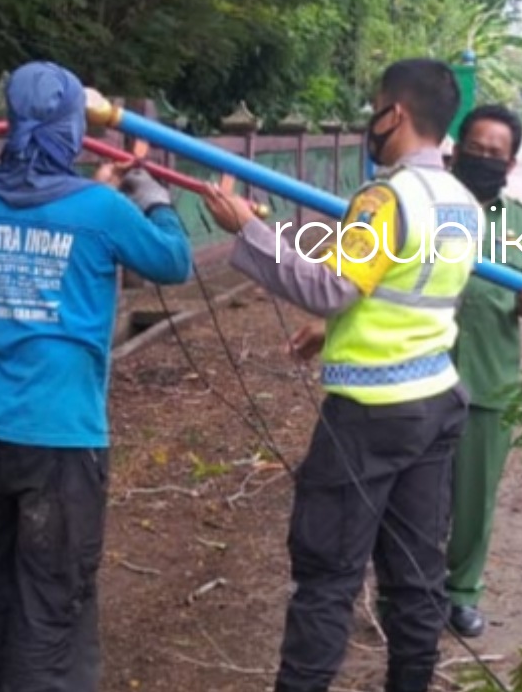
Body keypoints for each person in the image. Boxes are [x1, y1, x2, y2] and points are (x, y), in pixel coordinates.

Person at [201, 58, 483, 692]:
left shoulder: (385, 198)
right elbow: (415, 293)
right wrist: (331, 332)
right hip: (436, 401)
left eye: (375, 108)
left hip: (371, 411)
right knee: (415, 577)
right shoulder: (462, 203)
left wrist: (249, 230)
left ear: (395, 113)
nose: (370, 122)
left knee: (327, 575)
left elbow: (332, 286)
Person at [0, 61, 193, 691]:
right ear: (70, 129)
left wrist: (97, 190)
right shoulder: (98, 210)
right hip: (57, 439)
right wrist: (149, 193)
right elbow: (173, 260)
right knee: (52, 604)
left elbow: (41, 216)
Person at [443, 104, 522, 637]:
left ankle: (461, 593)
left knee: (473, 499)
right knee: (413, 493)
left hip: (488, 380)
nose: (484, 159)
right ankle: (408, 591)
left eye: (495, 153)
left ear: (509, 164)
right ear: (455, 152)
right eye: (476, 149)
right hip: (419, 374)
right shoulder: (425, 208)